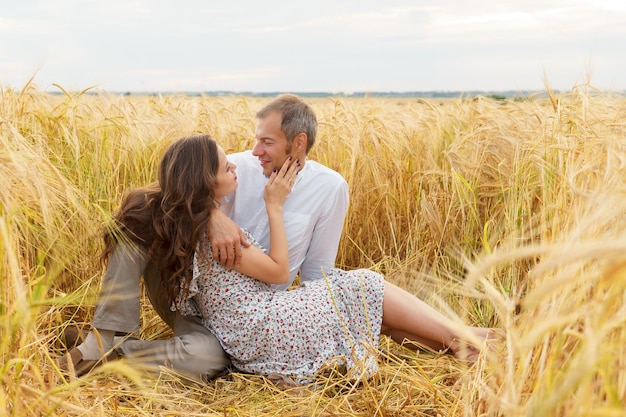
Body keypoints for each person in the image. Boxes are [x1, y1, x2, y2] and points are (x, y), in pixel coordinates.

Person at [101, 134, 498, 386]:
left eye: (263, 142)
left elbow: (185, 190)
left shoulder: (204, 215)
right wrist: (275, 206)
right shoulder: (215, 231)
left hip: (246, 327)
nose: (241, 161)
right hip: (262, 327)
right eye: (226, 166)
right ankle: (473, 340)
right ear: (205, 182)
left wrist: (210, 209)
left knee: (365, 303)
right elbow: (276, 271)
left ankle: (466, 342)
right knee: (360, 287)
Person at [57, 95, 349, 382]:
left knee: (206, 360)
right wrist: (212, 213)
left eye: (267, 142)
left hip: (244, 317)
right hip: (186, 293)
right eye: (257, 139)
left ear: (298, 142)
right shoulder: (235, 168)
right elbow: (179, 188)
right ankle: (103, 337)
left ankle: (113, 356)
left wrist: (311, 340)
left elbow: (317, 277)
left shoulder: (330, 188)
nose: (255, 150)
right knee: (137, 222)